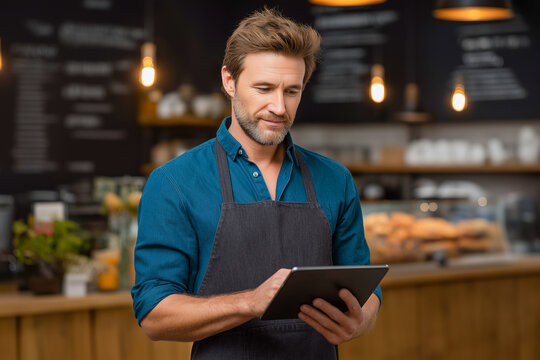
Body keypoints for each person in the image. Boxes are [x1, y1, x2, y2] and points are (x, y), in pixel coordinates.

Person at [131, 7, 382, 359]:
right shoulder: (173, 182)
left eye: (291, 91)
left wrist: (361, 320)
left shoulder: (335, 179)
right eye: (263, 88)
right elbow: (154, 315)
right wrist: (250, 302)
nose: (278, 107)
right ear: (229, 81)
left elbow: (365, 289)